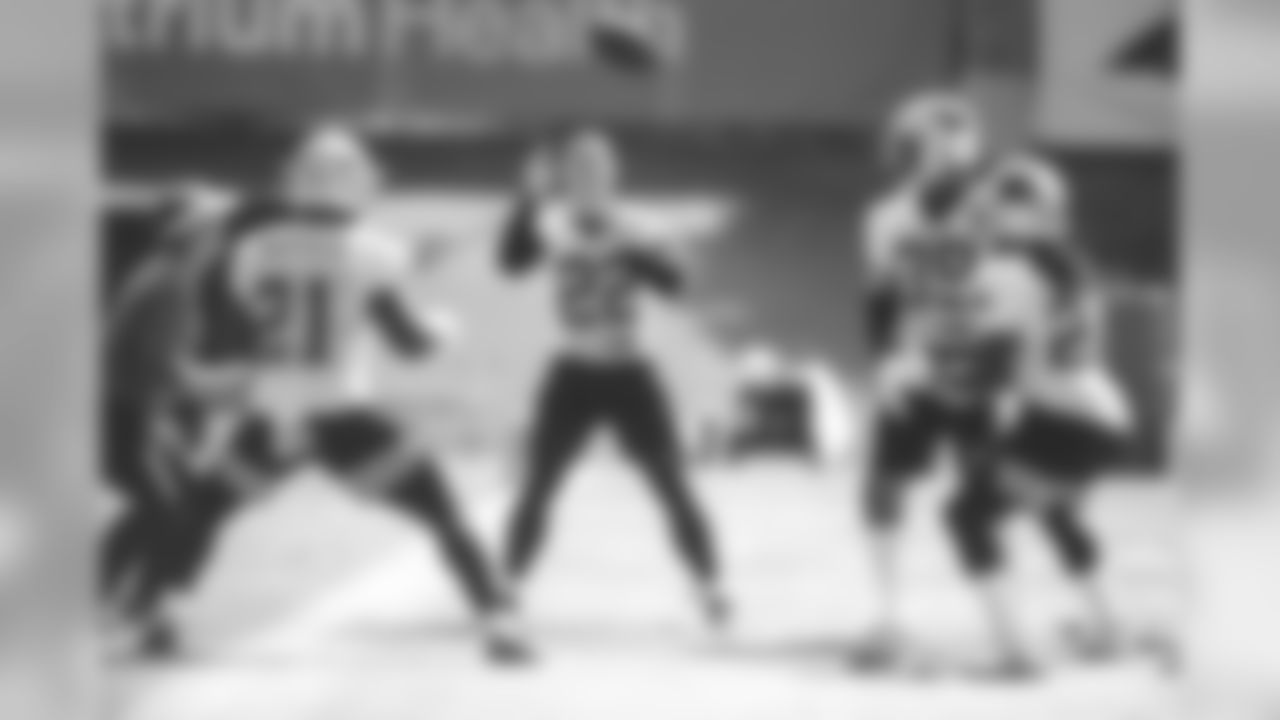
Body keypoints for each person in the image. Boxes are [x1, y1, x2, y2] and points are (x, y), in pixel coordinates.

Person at [125, 125, 530, 664]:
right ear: (354, 182)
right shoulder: (376, 251)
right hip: (342, 416)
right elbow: (408, 343)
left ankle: (157, 616)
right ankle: (499, 621)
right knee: (441, 512)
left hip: (274, 416)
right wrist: (444, 327)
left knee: (204, 509)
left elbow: (258, 325)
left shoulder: (253, 250)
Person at [498, 129, 729, 632]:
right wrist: (526, 198)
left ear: (613, 175)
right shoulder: (553, 223)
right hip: (574, 369)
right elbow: (510, 263)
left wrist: (626, 249)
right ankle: (509, 589)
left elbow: (677, 284)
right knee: (539, 483)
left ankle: (710, 586)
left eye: (596, 170)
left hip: (630, 370)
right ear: (567, 177)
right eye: (578, 170)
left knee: (671, 482)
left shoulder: (637, 224)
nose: (587, 180)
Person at [937, 150, 1135, 676]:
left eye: (1002, 204)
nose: (987, 212)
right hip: (1094, 416)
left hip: (1066, 421)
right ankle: (1107, 629)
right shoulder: (1068, 262)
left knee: (966, 515)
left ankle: (1015, 653)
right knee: (1053, 511)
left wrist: (949, 375)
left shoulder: (1009, 269)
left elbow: (988, 364)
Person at [852, 89, 996, 668]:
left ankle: (1002, 617)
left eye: (952, 140)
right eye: (930, 141)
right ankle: (889, 614)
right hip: (916, 363)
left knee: (988, 494)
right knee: (882, 486)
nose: (941, 152)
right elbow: (880, 298)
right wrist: (884, 362)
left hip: (979, 365)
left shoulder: (994, 211)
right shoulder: (887, 217)